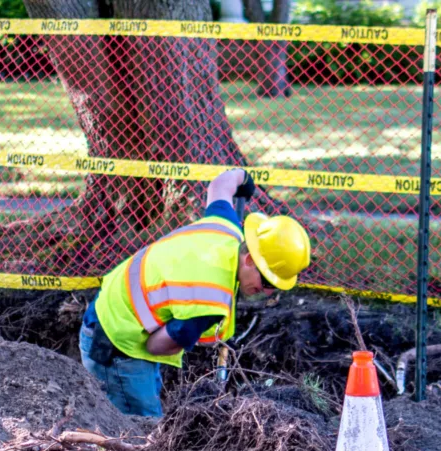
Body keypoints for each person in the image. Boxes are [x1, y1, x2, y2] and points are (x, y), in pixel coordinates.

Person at [79, 168, 312, 416]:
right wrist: (187, 336)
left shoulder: (225, 227)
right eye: (266, 281)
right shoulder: (208, 301)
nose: (266, 292)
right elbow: (155, 346)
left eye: (275, 286)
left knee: (147, 398)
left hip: (113, 307)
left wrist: (243, 178)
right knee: (142, 424)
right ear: (249, 260)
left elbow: (220, 185)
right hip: (115, 342)